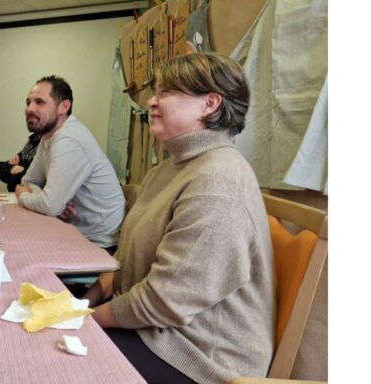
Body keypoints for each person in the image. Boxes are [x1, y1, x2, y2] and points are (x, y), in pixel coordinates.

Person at [83, 53, 275, 384]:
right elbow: (130, 259)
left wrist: (88, 320)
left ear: (210, 104)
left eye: (166, 92)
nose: (151, 102)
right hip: (159, 331)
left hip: (199, 359)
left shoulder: (218, 180)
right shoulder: (170, 168)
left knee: (52, 360)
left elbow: (166, 301)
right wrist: (90, 296)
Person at [14, 75, 125, 253]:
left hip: (99, 244)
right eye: (28, 102)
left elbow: (46, 203)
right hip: (73, 231)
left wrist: (22, 195)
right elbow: (29, 181)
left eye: (39, 102)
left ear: (64, 107)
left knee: (18, 253)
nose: (30, 108)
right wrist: (47, 199)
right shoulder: (48, 136)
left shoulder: (68, 138)